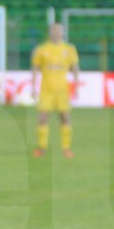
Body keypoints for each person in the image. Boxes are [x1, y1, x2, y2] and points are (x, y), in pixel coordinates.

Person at [30, 22, 80, 158]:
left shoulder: (69, 49)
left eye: (59, 30)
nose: (56, 32)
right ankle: (42, 147)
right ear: (50, 32)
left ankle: (66, 148)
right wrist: (33, 87)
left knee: (65, 117)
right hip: (46, 89)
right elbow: (35, 69)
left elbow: (75, 68)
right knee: (42, 118)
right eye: (54, 30)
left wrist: (77, 86)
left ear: (63, 32)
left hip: (63, 89)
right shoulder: (41, 49)